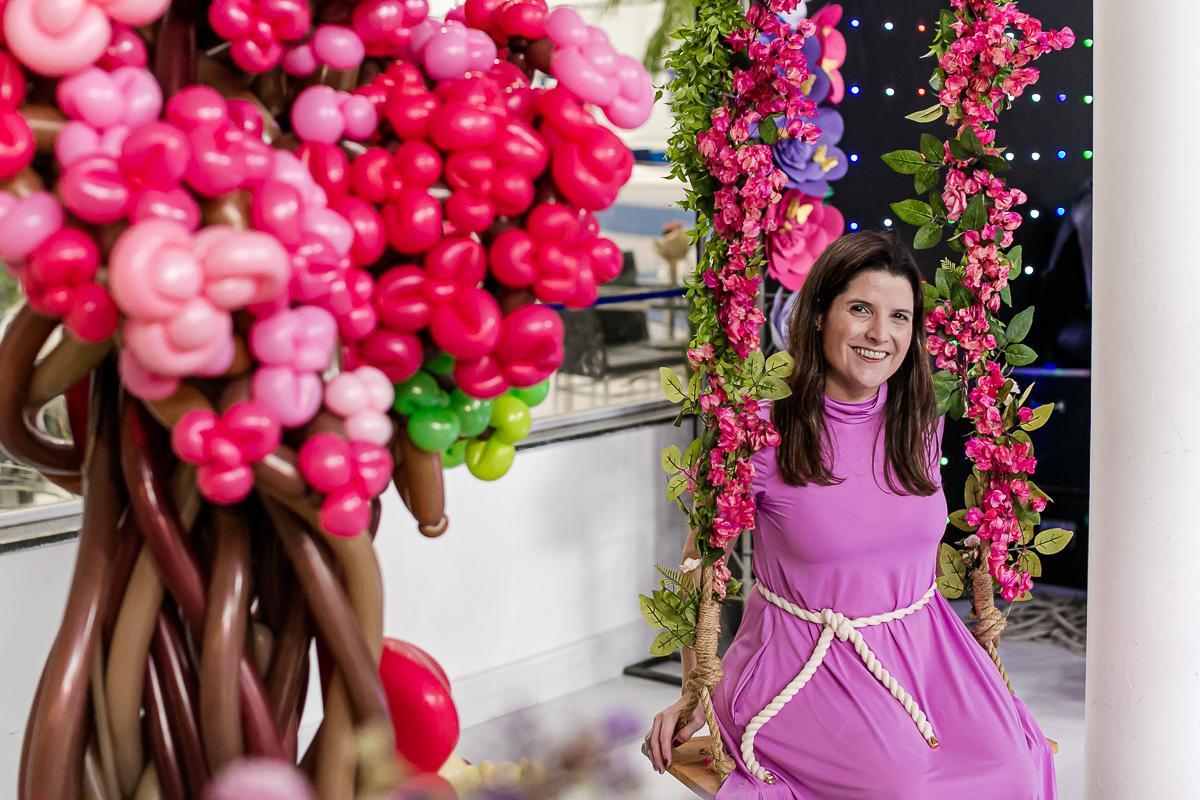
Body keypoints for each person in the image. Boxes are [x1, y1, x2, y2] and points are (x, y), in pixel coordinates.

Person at [641, 232, 1056, 798]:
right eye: (860, 309)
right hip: (808, 661)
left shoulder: (918, 420)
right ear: (817, 315)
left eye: (900, 317)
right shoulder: (760, 433)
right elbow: (698, 564)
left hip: (928, 649)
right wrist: (695, 689)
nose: (880, 335)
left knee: (1015, 764)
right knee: (903, 788)